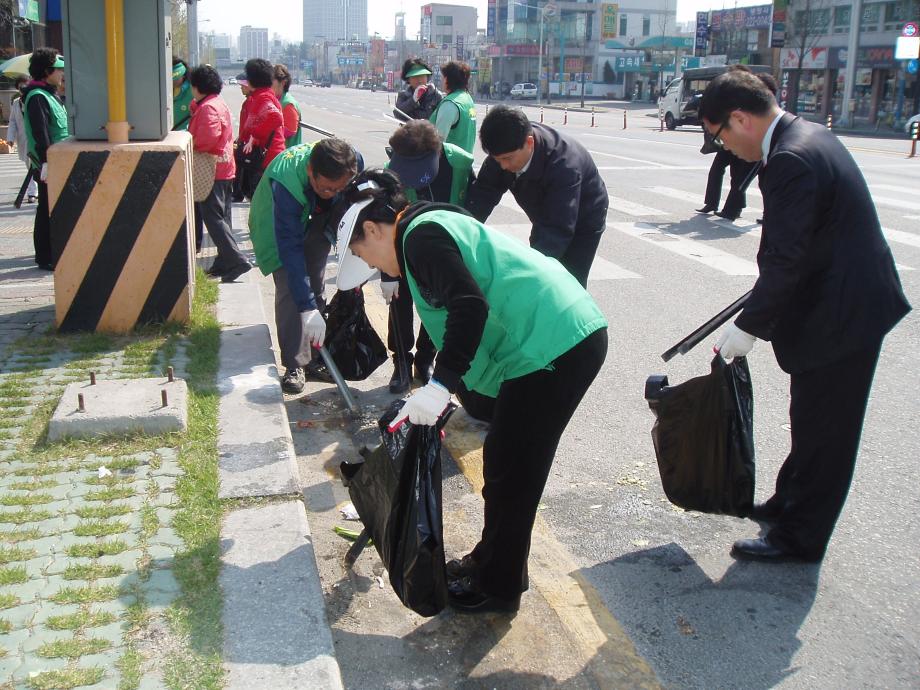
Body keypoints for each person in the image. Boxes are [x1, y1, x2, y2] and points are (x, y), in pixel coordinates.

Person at [334, 168, 608, 613]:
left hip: (554, 346)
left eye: (364, 255)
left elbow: (468, 306)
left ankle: (497, 588)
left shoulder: (420, 239)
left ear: (371, 229)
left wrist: (440, 386)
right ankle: (490, 562)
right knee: (506, 465)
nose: (369, 266)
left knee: (512, 473)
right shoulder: (422, 226)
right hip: (547, 341)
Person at [699, 69, 911, 562]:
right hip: (836, 299)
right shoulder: (805, 135)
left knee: (827, 429)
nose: (725, 150)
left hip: (844, 313)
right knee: (810, 417)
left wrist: (749, 327)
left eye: (721, 138)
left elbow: (786, 259)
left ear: (740, 118)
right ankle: (787, 503)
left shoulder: (791, 157)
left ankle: (802, 536)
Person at [247, 139, 361, 393]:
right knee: (291, 287)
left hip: (317, 217)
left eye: (338, 188)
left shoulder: (351, 163)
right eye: (327, 188)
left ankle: (314, 356)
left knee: (316, 283)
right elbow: (290, 249)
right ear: (311, 170)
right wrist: (306, 307)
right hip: (278, 223)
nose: (333, 192)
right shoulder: (286, 182)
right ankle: (295, 363)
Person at [465, 105, 608, 288]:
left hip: (585, 215)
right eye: (497, 159)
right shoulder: (506, 151)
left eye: (507, 159)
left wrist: (529, 272)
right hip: (547, 210)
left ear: (529, 143)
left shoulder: (563, 166)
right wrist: (462, 234)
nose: (502, 166)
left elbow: (555, 229)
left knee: (568, 282)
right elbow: (482, 195)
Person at [381, 119, 476, 393]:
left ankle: (425, 359)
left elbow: (475, 205)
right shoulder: (393, 171)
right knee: (400, 301)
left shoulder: (459, 164)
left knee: (439, 305)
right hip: (403, 246)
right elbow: (386, 221)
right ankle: (401, 362)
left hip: (445, 246)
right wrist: (388, 275)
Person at [187, 65, 252, 283]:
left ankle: (236, 259)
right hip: (225, 168)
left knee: (212, 217)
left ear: (197, 87)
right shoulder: (216, 103)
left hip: (211, 169)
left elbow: (207, 138)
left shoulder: (208, 109)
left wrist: (190, 142)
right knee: (222, 217)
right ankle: (224, 261)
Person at [23, 48, 69, 271]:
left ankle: (52, 251)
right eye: (58, 70)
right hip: (47, 163)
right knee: (46, 208)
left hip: (58, 160)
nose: (62, 74)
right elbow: (41, 133)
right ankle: (44, 256)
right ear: (46, 71)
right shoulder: (37, 97)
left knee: (55, 207)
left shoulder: (51, 94)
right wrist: (46, 162)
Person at [239, 58, 285, 179]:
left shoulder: (263, 97)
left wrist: (254, 136)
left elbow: (275, 117)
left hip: (267, 159)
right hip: (266, 158)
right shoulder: (260, 96)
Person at [429, 60, 476, 153]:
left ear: (447, 79)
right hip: (465, 160)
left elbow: (437, 140)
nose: (442, 81)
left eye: (443, 78)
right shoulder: (467, 99)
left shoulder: (450, 104)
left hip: (450, 163)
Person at [7, 76, 38, 204]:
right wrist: (10, 138)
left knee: (37, 166)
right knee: (29, 165)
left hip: (36, 139)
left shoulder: (35, 99)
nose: (23, 89)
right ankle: (32, 193)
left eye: (26, 85)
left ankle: (34, 191)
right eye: (21, 87)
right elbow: (13, 121)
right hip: (23, 139)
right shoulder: (16, 103)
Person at [232, 72, 253, 201]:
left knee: (242, 169)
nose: (241, 88)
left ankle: (239, 193)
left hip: (248, 142)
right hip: (243, 140)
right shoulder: (248, 102)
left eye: (243, 86)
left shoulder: (252, 102)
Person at [272, 63, 302, 148]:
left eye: (272, 80)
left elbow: (291, 130)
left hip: (287, 155)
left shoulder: (288, 103)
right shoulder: (276, 100)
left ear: (283, 82)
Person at [172, 58, 193, 131]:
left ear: (184, 75)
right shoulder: (166, 90)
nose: (173, 81)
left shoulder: (192, 90)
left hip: (185, 132)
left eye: (176, 78)